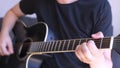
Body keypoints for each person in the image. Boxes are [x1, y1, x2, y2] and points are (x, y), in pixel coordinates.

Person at [0, 0, 113, 68]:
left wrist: (96, 60)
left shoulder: (100, 6)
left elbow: (107, 64)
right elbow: (13, 12)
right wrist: (4, 32)